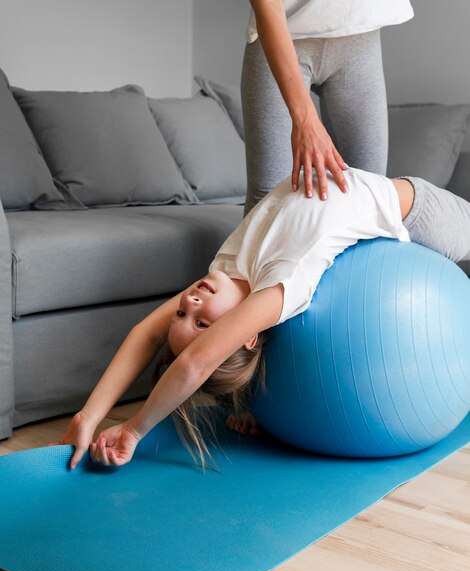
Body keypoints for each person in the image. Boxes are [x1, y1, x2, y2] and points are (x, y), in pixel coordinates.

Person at [52, 170, 470, 469]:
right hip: (422, 217)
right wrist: (135, 430)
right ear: (245, 335)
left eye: (182, 312)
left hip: (409, 202)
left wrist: (89, 416)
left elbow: (145, 334)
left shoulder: (225, 269)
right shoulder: (283, 281)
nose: (191, 301)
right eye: (201, 325)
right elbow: (195, 363)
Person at [243, 0, 414, 213]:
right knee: (268, 201)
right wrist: (304, 119)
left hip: (359, 37)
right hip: (280, 37)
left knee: (371, 195)